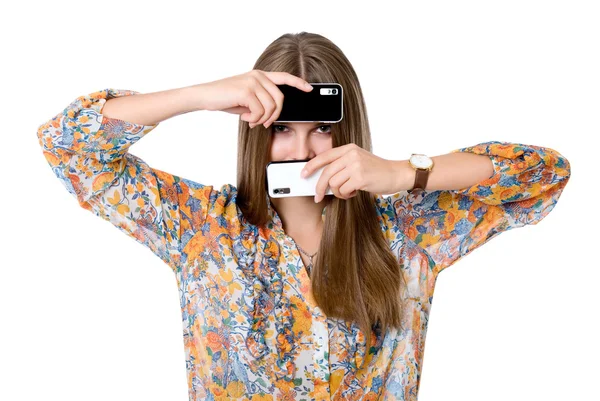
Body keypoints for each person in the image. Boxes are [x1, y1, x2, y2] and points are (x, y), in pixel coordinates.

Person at [36, 32, 571, 401]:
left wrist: (409, 173)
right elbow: (67, 146)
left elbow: (543, 177)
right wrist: (200, 96)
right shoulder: (200, 228)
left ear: (348, 125)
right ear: (255, 130)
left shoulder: (409, 230)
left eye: (321, 127)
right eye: (283, 129)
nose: (302, 151)